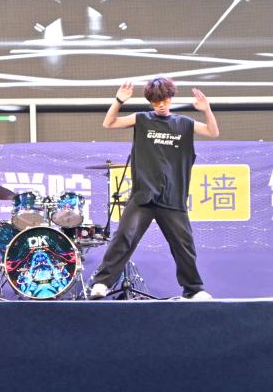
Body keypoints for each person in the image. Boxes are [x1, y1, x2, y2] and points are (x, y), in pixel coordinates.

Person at [89, 77, 220, 300]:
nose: (161, 105)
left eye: (164, 100)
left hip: (173, 197)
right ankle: (102, 283)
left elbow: (212, 132)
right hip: (143, 196)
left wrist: (206, 109)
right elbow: (108, 123)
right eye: (156, 101)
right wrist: (119, 100)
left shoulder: (184, 123)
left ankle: (193, 289)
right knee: (124, 237)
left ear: (171, 98)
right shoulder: (141, 119)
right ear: (151, 102)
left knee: (183, 245)